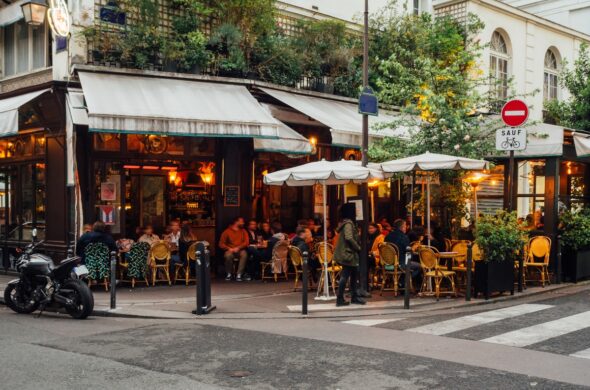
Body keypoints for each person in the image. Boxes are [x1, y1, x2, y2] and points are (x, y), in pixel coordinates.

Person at [334, 203, 365, 307]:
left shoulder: (347, 223)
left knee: (353, 274)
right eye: (354, 209)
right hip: (348, 253)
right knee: (345, 275)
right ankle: (340, 299)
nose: (356, 211)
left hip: (349, 253)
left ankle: (354, 297)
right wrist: (358, 247)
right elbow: (349, 237)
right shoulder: (348, 224)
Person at [219, 217, 250, 281]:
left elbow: (246, 242)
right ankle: (229, 274)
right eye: (241, 221)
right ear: (236, 222)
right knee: (228, 255)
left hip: (240, 250)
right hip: (230, 250)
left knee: (244, 254)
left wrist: (238, 247)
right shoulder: (227, 231)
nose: (243, 223)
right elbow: (221, 244)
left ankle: (239, 274)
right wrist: (229, 248)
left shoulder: (243, 231)